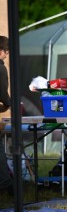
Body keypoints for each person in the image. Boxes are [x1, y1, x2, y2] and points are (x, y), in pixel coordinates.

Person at [0, 35, 13, 195]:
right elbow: (2, 93)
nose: (7, 55)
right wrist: (12, 104)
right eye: (7, 52)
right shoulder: (1, 68)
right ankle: (6, 185)